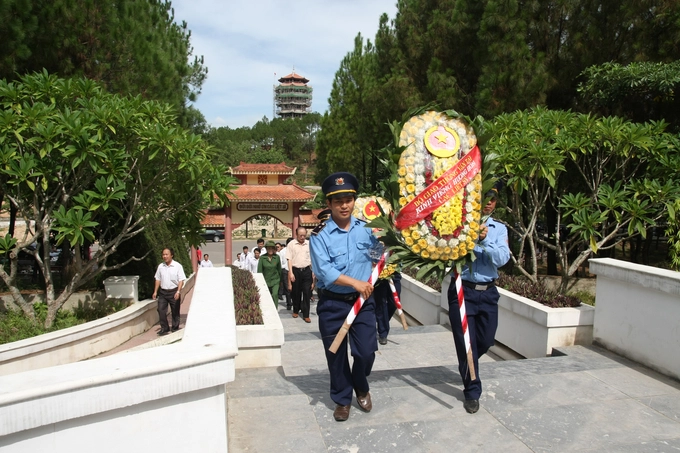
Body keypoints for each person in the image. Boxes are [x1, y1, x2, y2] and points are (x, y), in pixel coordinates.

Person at [310, 172, 379, 422]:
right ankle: (342, 399)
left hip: (362, 303)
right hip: (332, 303)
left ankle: (360, 384)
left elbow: (377, 256)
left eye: (348, 199)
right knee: (335, 354)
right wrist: (356, 283)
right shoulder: (319, 235)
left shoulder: (366, 230)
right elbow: (324, 271)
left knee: (366, 351)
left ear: (354, 201)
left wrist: (387, 250)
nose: (344, 205)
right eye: (337, 201)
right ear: (329, 204)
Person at [447, 185, 510, 414]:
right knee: (467, 344)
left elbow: (502, 258)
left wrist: (484, 240)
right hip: (462, 291)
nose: (488, 202)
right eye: (484, 197)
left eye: (493, 198)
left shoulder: (499, 229)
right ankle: (472, 392)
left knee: (484, 340)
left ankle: (467, 362)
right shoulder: (458, 226)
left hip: (488, 292)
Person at [152, 247, 186, 336]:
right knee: (161, 310)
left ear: (171, 255)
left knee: (175, 311)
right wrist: (155, 291)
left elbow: (181, 280)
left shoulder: (177, 266)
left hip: (174, 291)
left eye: (167, 254)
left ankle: (175, 328)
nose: (165, 256)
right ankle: (164, 327)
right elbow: (158, 279)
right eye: (163, 254)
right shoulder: (160, 266)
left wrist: (178, 291)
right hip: (163, 292)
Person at [287, 226, 314, 322]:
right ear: (296, 234)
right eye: (300, 235)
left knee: (307, 292)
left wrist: (313, 274)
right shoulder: (291, 244)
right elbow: (289, 259)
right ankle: (295, 310)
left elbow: (313, 259)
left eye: (304, 235)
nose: (302, 237)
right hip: (296, 271)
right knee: (296, 292)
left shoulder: (309, 244)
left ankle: (306, 314)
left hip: (307, 270)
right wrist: (291, 273)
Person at [373, 270, 401, 345]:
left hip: (394, 273)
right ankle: (383, 333)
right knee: (381, 304)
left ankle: (381, 320)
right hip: (379, 275)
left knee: (395, 302)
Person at [258, 240, 282, 306]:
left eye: (272, 248)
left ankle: (275, 310)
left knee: (275, 294)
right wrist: (260, 281)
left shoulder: (277, 257)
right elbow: (259, 270)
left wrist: (281, 280)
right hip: (266, 280)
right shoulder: (262, 258)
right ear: (266, 249)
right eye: (268, 248)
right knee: (266, 297)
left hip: (275, 280)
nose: (270, 250)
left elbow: (279, 269)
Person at [277, 241, 292, 309]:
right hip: (285, 270)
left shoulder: (294, 249)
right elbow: (280, 263)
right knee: (287, 288)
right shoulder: (282, 252)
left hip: (294, 270)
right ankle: (289, 303)